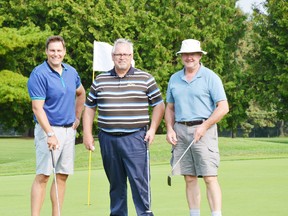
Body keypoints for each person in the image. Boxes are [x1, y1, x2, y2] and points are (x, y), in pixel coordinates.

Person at [82, 38, 165, 216]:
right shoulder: (100, 80)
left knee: (139, 182)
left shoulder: (145, 78)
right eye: (118, 54)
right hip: (108, 139)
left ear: (132, 56)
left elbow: (159, 104)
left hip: (135, 138)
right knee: (116, 184)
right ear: (112, 56)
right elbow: (89, 108)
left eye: (126, 54)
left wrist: (152, 129)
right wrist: (87, 134)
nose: (122, 57)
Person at [165, 39, 229, 216]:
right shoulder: (174, 79)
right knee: (190, 178)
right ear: (181, 57)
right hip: (181, 131)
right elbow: (170, 107)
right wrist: (170, 129)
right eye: (185, 54)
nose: (189, 57)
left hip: (204, 131)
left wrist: (205, 125)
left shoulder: (210, 77)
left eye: (192, 54)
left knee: (209, 177)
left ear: (200, 55)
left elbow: (223, 107)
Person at [27, 35, 86, 216]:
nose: (56, 54)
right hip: (49, 131)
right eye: (52, 50)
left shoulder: (71, 72)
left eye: (59, 50)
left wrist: (77, 118)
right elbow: (37, 108)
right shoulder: (39, 74)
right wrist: (50, 133)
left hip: (69, 131)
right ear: (46, 52)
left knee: (62, 176)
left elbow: (81, 93)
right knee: (43, 176)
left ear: (64, 52)